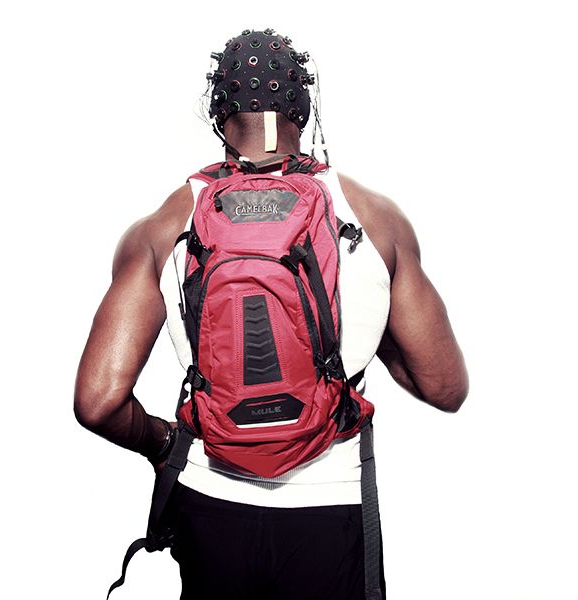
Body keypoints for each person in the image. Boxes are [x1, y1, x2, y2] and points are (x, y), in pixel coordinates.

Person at [74, 28, 469, 600]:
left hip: (211, 504)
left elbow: (98, 402)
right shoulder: (375, 220)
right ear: (302, 109)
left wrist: (163, 444)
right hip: (330, 509)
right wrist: (360, 326)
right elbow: (445, 387)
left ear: (219, 112)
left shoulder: (163, 227)